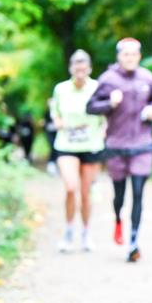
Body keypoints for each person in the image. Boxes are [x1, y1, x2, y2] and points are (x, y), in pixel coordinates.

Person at [86, 38, 152, 262]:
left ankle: (134, 241)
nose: (130, 58)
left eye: (134, 54)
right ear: (119, 56)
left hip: (142, 143)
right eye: (126, 55)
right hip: (117, 145)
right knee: (119, 195)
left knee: (138, 192)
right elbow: (90, 106)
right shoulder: (108, 79)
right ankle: (118, 218)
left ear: (139, 56)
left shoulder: (148, 78)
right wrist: (109, 103)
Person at [50, 50, 105, 253]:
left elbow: (105, 114)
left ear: (89, 69)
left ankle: (86, 232)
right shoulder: (61, 89)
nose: (80, 71)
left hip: (91, 146)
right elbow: (55, 112)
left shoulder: (98, 88)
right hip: (67, 145)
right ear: (71, 68)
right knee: (71, 187)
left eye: (83, 68)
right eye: (76, 67)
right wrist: (57, 121)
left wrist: (104, 131)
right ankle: (68, 229)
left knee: (85, 193)